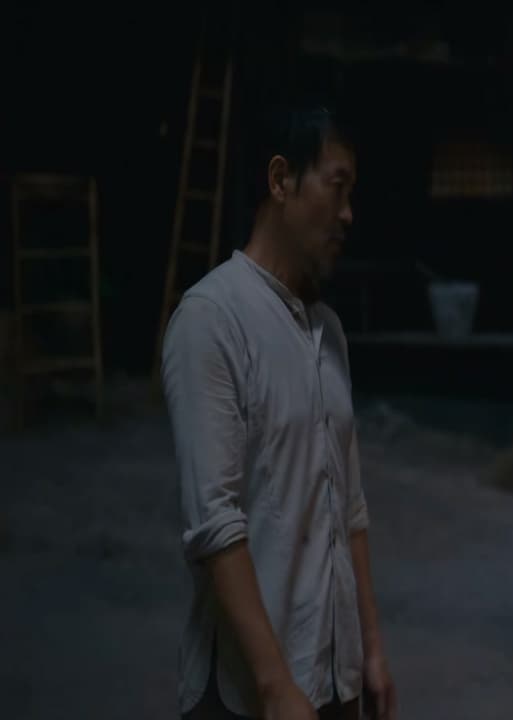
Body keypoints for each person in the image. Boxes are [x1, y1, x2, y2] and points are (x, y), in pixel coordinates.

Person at [162, 104, 397, 720]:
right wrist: (274, 687)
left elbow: (350, 508)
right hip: (251, 693)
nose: (348, 214)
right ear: (280, 179)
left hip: (332, 679)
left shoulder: (328, 331)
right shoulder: (212, 319)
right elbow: (215, 522)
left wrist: (370, 650)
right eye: (337, 187)